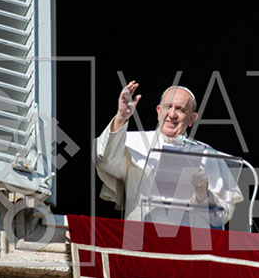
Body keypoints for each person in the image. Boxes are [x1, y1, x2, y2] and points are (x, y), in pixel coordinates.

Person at [95, 81, 243, 227]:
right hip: (141, 235)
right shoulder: (132, 141)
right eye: (168, 107)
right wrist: (121, 117)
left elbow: (223, 215)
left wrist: (203, 194)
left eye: (180, 109)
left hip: (189, 239)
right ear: (159, 111)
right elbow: (104, 159)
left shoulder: (207, 155)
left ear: (192, 118)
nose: (172, 114)